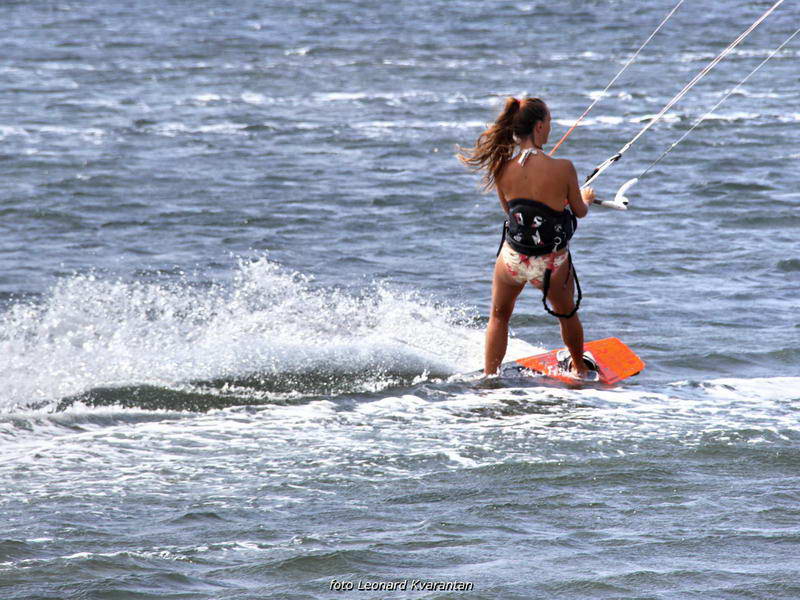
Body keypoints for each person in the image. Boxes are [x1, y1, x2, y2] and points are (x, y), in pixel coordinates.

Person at [458, 97, 596, 377]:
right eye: (549, 124)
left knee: (499, 316)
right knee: (566, 313)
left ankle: (490, 376)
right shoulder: (564, 167)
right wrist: (585, 198)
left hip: (512, 259)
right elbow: (579, 212)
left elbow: (510, 210)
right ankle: (579, 370)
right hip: (550, 265)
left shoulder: (500, 167)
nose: (550, 130)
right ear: (539, 125)